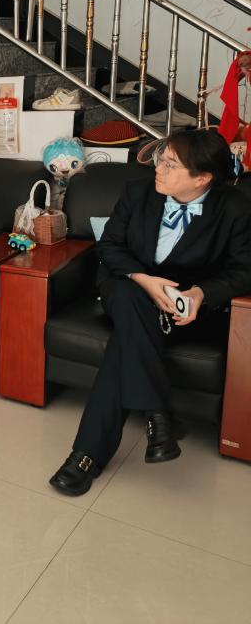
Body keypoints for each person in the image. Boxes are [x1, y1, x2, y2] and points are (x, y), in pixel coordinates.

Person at [50, 128, 251, 497]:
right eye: (161, 158)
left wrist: (200, 293)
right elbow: (110, 246)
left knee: (124, 344)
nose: (158, 168)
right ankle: (158, 414)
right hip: (126, 286)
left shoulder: (235, 208)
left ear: (202, 178)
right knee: (130, 298)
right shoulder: (138, 191)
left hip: (180, 308)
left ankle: (87, 456)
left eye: (170, 164)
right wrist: (144, 279)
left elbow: (244, 270)